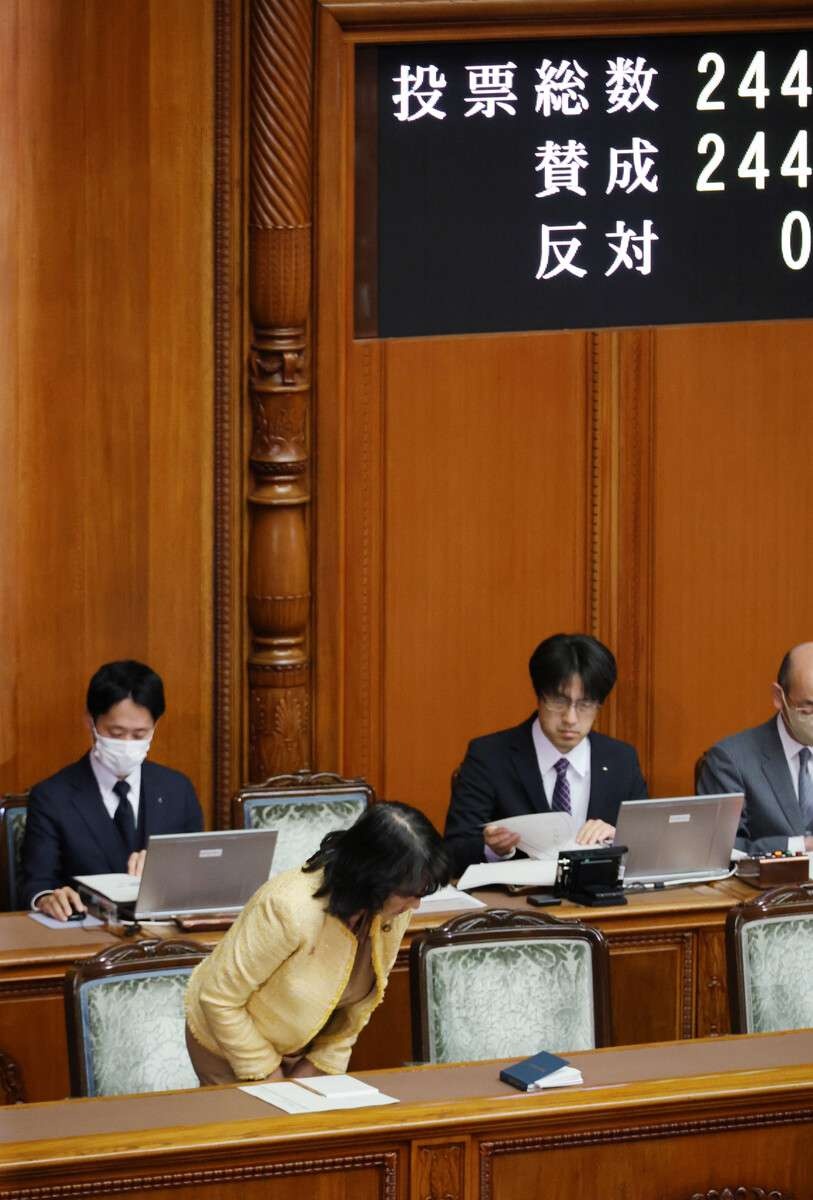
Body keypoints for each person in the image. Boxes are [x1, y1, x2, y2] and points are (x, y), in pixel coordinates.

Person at [184, 801, 450, 1085]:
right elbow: (219, 999)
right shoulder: (287, 907)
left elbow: (356, 1010)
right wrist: (270, 1076)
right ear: (373, 878)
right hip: (227, 1043)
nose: (416, 905)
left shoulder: (391, 912)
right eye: (409, 893)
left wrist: (319, 1066)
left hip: (300, 1047)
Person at [444, 633, 647, 875]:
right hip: (518, 896)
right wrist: (492, 849)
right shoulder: (490, 756)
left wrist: (619, 838)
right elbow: (453, 851)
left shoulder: (621, 759)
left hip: (598, 894)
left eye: (585, 704)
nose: (570, 718)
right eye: (559, 702)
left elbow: (648, 845)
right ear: (539, 696)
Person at [20, 659, 203, 920]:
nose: (127, 744)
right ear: (91, 721)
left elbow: (199, 873)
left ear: (155, 726)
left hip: (165, 933)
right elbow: (36, 883)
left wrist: (167, 869)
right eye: (116, 733)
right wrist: (48, 898)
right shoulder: (52, 797)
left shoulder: (177, 789)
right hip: (87, 932)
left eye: (139, 735)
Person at [698, 642, 813, 855]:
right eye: (808, 707)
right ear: (779, 697)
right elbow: (721, 848)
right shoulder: (730, 760)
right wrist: (801, 846)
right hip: (769, 877)